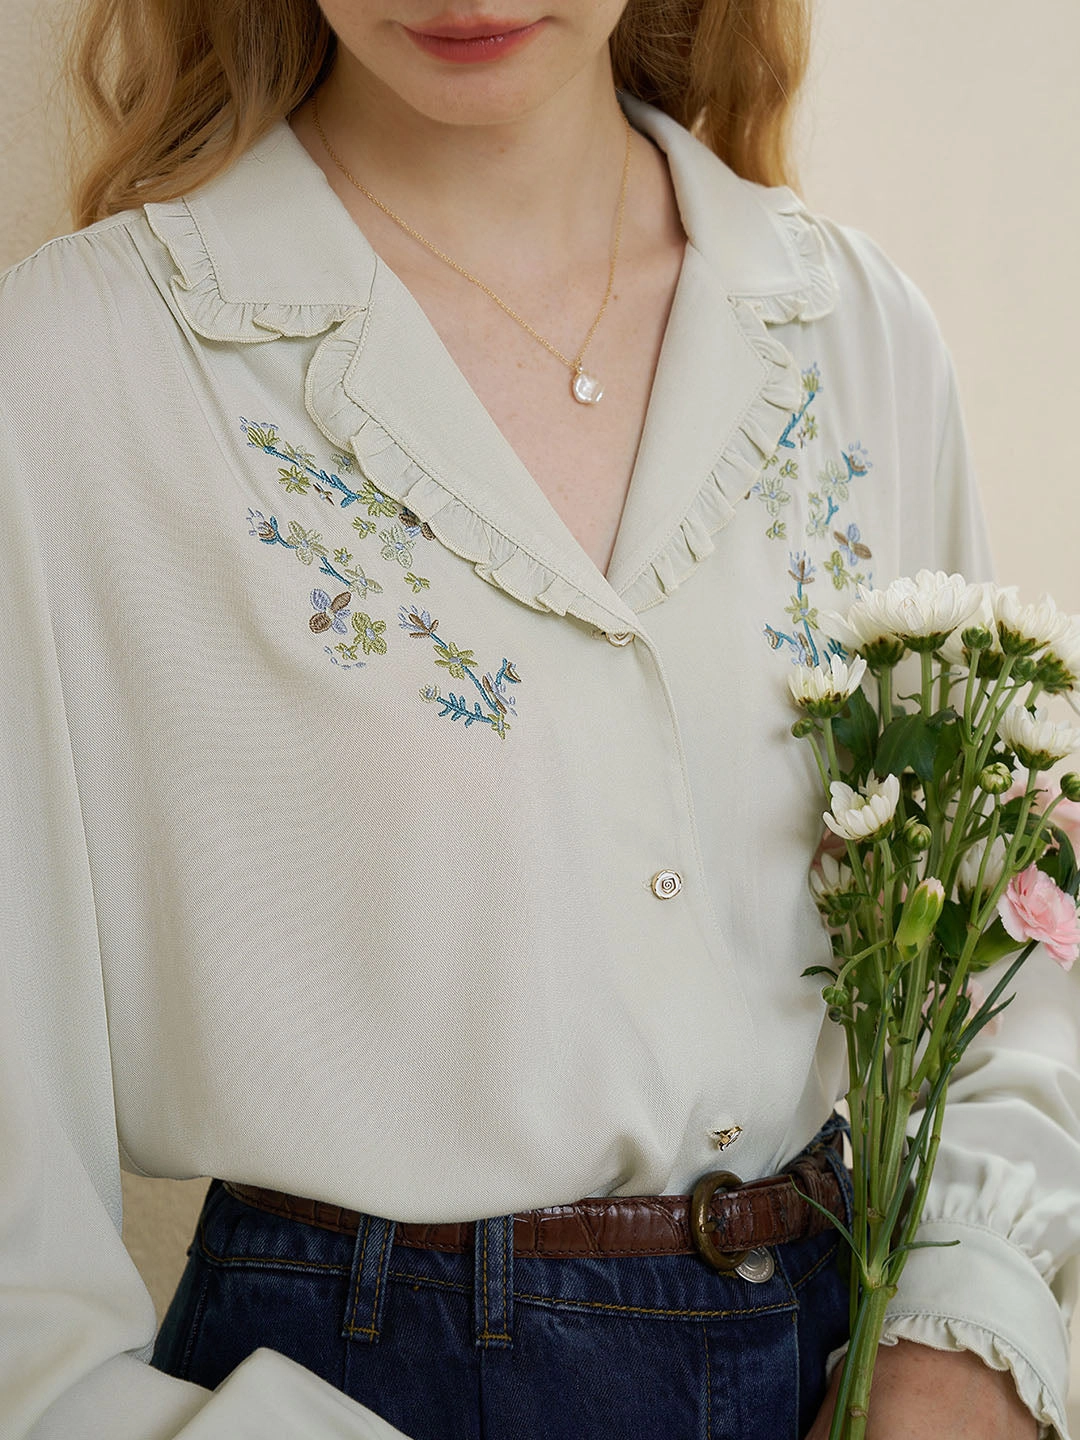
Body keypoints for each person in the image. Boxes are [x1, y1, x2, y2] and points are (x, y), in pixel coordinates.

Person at [1, 1, 1077, 1436]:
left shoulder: (851, 330)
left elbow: (1000, 951)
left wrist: (964, 1343)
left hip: (848, 1363)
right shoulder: (76, 374)